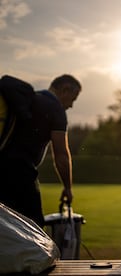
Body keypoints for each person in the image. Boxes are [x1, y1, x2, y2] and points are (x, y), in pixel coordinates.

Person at [0, 74, 81, 227]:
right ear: (65, 90)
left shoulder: (29, 100)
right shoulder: (56, 110)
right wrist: (68, 188)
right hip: (21, 174)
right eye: (73, 99)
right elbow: (61, 155)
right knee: (34, 229)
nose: (71, 106)